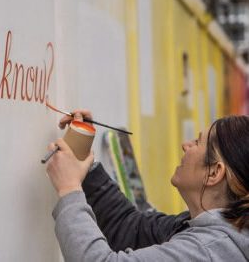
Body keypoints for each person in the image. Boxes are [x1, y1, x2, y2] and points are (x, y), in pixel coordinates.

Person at [46, 111, 249, 261]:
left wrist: (69, 189)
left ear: (214, 172)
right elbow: (130, 228)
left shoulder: (205, 251)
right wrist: (81, 158)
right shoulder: (213, 229)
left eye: (197, 142)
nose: (186, 145)